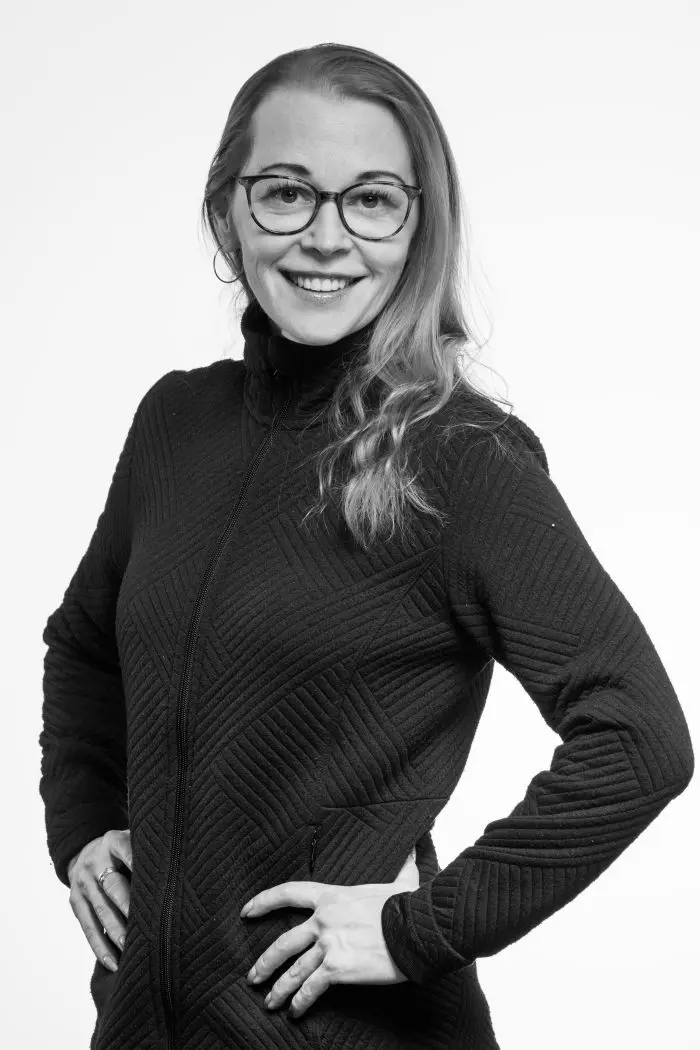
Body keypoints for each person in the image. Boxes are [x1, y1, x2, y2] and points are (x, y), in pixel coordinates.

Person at [39, 41, 694, 1050]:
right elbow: (84, 644)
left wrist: (421, 928)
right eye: (287, 192)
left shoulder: (457, 456)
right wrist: (82, 825)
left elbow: (639, 738)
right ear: (226, 210)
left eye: (373, 199)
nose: (326, 237)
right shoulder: (175, 422)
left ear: (418, 224)